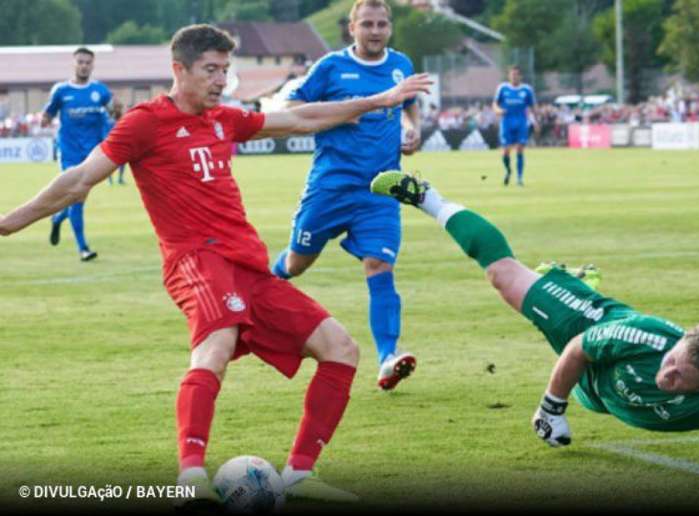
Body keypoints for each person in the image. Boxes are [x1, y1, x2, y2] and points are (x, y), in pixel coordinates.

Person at [0, 25, 431, 509]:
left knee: (341, 348)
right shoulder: (144, 123)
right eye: (210, 70)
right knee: (217, 343)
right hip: (195, 259)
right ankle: (190, 479)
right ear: (178, 70)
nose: (221, 80)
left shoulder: (223, 119)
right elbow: (79, 180)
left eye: (226, 70)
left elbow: (302, 119)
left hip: (247, 264)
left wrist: (382, 99)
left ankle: (299, 475)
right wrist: (6, 224)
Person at [369, 171, 699, 482]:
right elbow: (579, 348)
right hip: (589, 327)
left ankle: (569, 279)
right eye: (671, 360)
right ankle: (426, 197)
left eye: (679, 376)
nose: (666, 373)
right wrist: (551, 409)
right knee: (503, 277)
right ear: (678, 343)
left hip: (600, 388)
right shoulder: (641, 335)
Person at [271, 0, 423, 391]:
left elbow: (409, 104)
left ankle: (388, 358)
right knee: (296, 264)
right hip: (331, 187)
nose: (375, 31)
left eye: (382, 24)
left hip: (380, 191)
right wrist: (341, 111)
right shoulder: (330, 67)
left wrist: (412, 129)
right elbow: (291, 106)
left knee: (379, 265)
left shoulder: (401, 65)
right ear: (352, 28)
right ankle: (257, 291)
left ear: (390, 27)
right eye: (367, 24)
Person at [42, 47, 112, 261]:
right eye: (80, 62)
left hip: (92, 154)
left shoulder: (100, 91)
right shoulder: (61, 91)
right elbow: (47, 115)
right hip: (69, 153)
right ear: (74, 64)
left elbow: (114, 113)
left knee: (79, 196)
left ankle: (57, 217)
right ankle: (83, 248)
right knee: (76, 198)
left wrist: (117, 109)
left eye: (87, 62)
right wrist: (45, 120)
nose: (84, 65)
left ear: (93, 65)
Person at [492, 66, 536, 187]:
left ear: (520, 76)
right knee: (506, 150)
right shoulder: (503, 88)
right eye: (512, 74)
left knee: (520, 149)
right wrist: (498, 110)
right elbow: (495, 104)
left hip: (521, 122)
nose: (514, 77)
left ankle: (519, 178)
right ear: (509, 76)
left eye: (516, 74)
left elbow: (533, 107)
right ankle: (508, 171)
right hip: (506, 123)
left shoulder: (526, 90)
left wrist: (536, 122)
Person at [103, 99, 127, 186]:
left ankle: (120, 179)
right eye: (118, 107)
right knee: (108, 163)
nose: (119, 109)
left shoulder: (122, 118)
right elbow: (106, 131)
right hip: (110, 142)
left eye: (120, 108)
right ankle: (110, 180)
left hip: (121, 143)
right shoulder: (108, 119)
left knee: (122, 163)